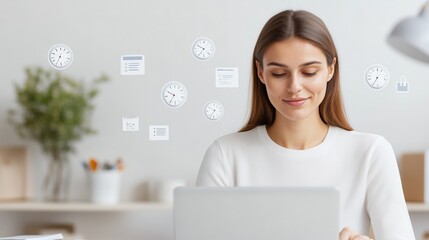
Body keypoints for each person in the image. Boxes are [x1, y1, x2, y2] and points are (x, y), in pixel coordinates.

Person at [196, 9, 415, 240]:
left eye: (309, 72)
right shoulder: (225, 155)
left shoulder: (371, 152)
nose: (294, 86)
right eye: (279, 73)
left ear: (330, 69)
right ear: (261, 73)